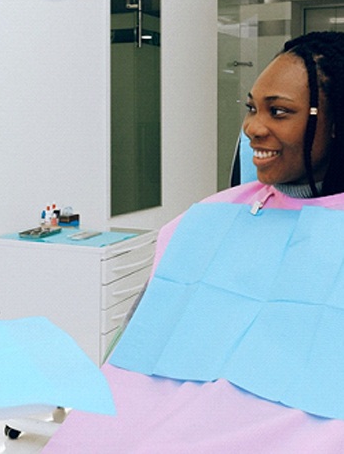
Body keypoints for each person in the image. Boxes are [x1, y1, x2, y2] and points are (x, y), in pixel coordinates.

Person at [43, 31, 344, 453]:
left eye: (279, 112)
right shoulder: (209, 218)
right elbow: (138, 340)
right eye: (252, 109)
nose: (253, 128)